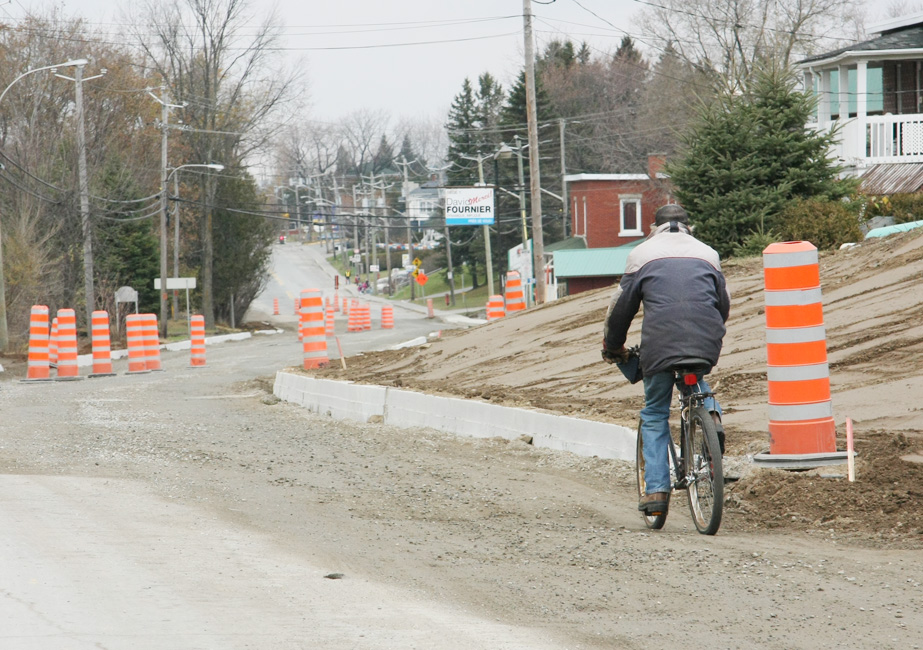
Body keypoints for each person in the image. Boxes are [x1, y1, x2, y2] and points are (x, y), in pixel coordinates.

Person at [601, 203, 730, 516]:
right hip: (706, 341)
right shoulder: (708, 254)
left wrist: (613, 346)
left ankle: (657, 491)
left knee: (655, 411)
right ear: (688, 226)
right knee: (696, 381)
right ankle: (710, 412)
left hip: (660, 347)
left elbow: (620, 311)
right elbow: (722, 304)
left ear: (652, 227)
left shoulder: (641, 255)